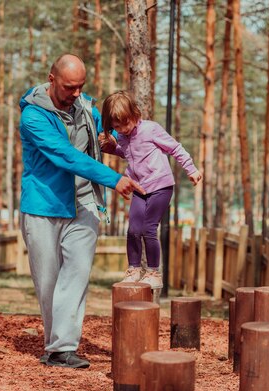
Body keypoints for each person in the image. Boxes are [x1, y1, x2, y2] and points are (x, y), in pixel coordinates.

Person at [19, 55, 145, 369]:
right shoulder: (33, 116)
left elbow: (110, 134)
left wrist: (114, 140)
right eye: (69, 87)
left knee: (76, 273)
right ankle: (55, 345)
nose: (76, 93)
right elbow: (66, 157)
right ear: (51, 79)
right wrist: (115, 179)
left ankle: (62, 349)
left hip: (84, 202)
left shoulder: (86, 108)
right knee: (48, 281)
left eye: (81, 87)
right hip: (43, 206)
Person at [99, 90, 202, 296]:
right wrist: (111, 148)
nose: (122, 129)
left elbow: (175, 148)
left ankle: (153, 272)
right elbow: (129, 153)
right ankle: (134, 269)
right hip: (140, 188)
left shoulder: (151, 129)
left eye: (125, 123)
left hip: (161, 186)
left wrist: (191, 169)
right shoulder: (122, 136)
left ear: (135, 115)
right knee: (133, 229)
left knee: (148, 229)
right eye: (116, 126)